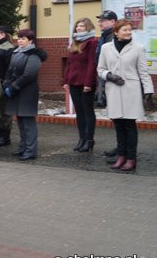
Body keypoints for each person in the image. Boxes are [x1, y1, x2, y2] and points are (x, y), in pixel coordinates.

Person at [97, 19, 153, 172]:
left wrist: (148, 91)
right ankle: (121, 156)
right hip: (114, 89)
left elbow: (143, 71)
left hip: (131, 90)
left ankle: (131, 158)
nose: (128, 32)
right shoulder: (106, 48)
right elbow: (100, 69)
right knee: (118, 125)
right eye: (125, 30)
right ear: (116, 32)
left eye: (129, 29)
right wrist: (110, 76)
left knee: (129, 126)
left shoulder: (138, 48)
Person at [4, 29, 46, 161]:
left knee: (28, 122)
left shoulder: (33, 55)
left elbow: (29, 74)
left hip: (27, 92)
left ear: (30, 40)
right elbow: (10, 70)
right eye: (19, 38)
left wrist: (14, 86)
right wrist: (6, 83)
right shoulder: (16, 53)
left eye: (23, 38)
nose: (20, 41)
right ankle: (22, 147)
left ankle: (30, 150)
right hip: (16, 91)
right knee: (20, 121)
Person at [62, 18, 99, 152]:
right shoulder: (75, 42)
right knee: (80, 112)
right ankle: (81, 138)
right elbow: (69, 64)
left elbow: (91, 63)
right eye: (77, 26)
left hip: (86, 83)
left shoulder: (92, 42)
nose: (78, 28)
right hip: (74, 82)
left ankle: (89, 140)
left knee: (87, 111)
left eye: (82, 26)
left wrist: (88, 83)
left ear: (88, 27)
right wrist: (66, 81)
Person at [95, 10, 118, 157]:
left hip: (115, 82)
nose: (100, 23)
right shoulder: (104, 37)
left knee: (120, 118)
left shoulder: (113, 37)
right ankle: (120, 147)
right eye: (100, 20)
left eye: (103, 20)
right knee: (115, 117)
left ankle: (123, 150)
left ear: (113, 22)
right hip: (106, 80)